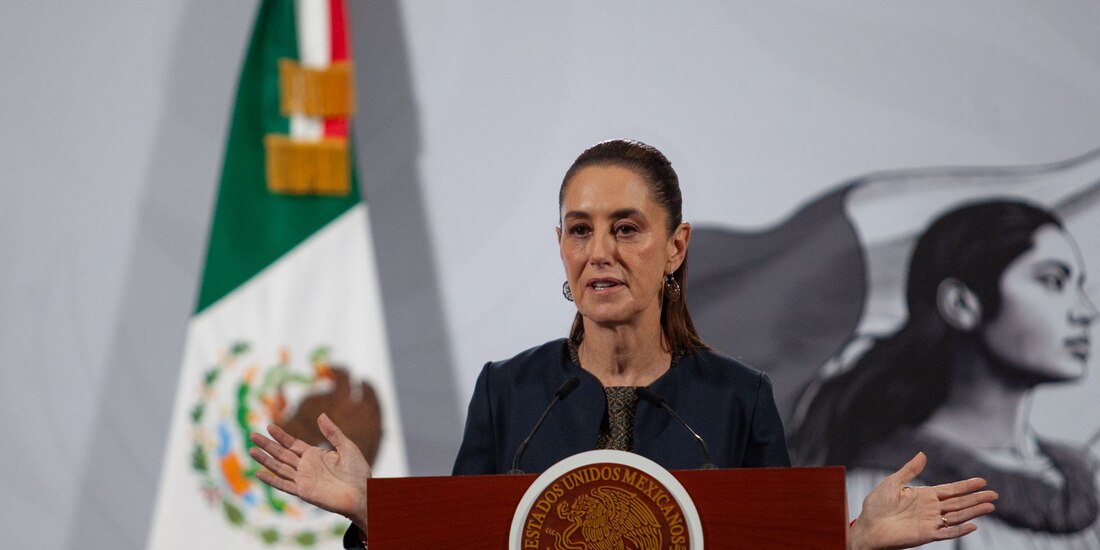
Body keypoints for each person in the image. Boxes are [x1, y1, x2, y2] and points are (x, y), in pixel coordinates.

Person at [250, 139, 998, 549]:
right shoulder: (507, 391)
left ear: (675, 248)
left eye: (626, 228)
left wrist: (856, 539)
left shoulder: (739, 398)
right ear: (561, 246)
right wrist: (369, 510)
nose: (599, 251)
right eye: (580, 230)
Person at [792, 200, 1098, 548]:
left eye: (1079, 287)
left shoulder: (1084, 478)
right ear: (961, 304)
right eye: (1053, 281)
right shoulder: (887, 497)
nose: (1086, 312)